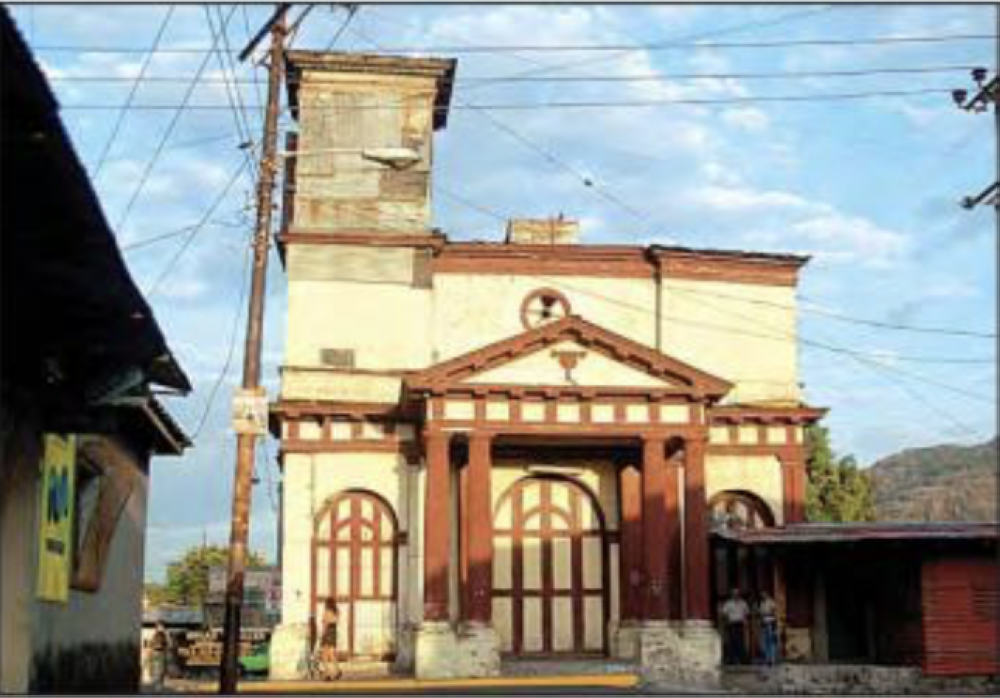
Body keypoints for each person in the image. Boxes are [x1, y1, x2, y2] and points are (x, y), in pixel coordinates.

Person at [720, 588, 750, 665]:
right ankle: (732, 660)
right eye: (734, 594)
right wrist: (726, 622)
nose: (736, 595)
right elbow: (724, 613)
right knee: (732, 642)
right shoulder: (728, 603)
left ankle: (743, 660)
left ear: (739, 594)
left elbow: (746, 613)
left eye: (737, 593)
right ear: (732, 595)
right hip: (732, 624)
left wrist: (745, 621)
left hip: (740, 624)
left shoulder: (743, 603)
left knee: (741, 642)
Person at [318, 598, 342, 680]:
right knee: (331, 654)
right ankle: (337, 670)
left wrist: (323, 634)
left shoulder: (326, 611)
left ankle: (327, 674)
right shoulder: (336, 611)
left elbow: (325, 622)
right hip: (334, 632)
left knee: (324, 655)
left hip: (328, 631)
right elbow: (336, 621)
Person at [757, 591, 779, 666]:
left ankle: (772, 659)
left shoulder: (771, 602)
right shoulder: (761, 604)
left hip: (770, 623)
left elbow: (774, 613)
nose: (763, 596)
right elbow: (760, 614)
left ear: (767, 595)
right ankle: (767, 658)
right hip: (764, 624)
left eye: (764, 594)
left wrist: (774, 625)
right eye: (762, 595)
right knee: (764, 642)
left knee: (771, 642)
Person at [148, 622, 169, 691]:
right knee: (156, 669)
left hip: (160, 653)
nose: (161, 628)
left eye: (162, 626)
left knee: (161, 669)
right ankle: (156, 685)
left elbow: (166, 645)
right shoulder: (155, 634)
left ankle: (159, 685)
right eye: (160, 626)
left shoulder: (163, 635)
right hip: (156, 653)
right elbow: (151, 644)